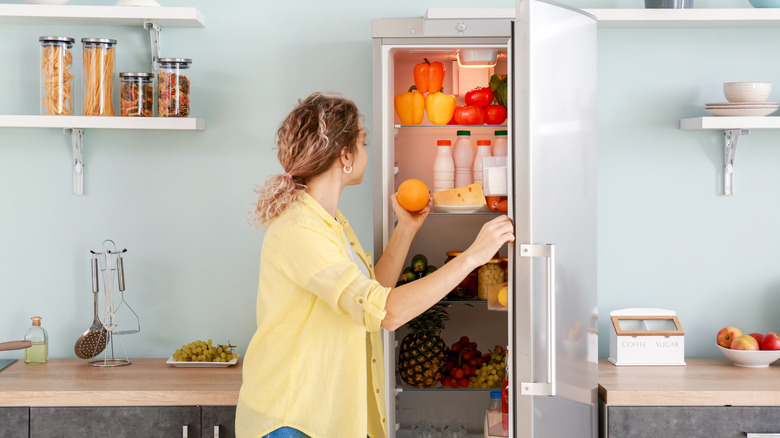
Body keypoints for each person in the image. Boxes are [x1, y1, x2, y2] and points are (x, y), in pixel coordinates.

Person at [235, 92, 514, 438]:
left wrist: (406, 230)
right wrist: (473, 257)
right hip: (294, 418)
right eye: (363, 143)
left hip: (327, 415)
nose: (367, 152)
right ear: (345, 156)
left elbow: (370, 293)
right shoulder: (300, 230)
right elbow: (385, 313)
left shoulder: (329, 221)